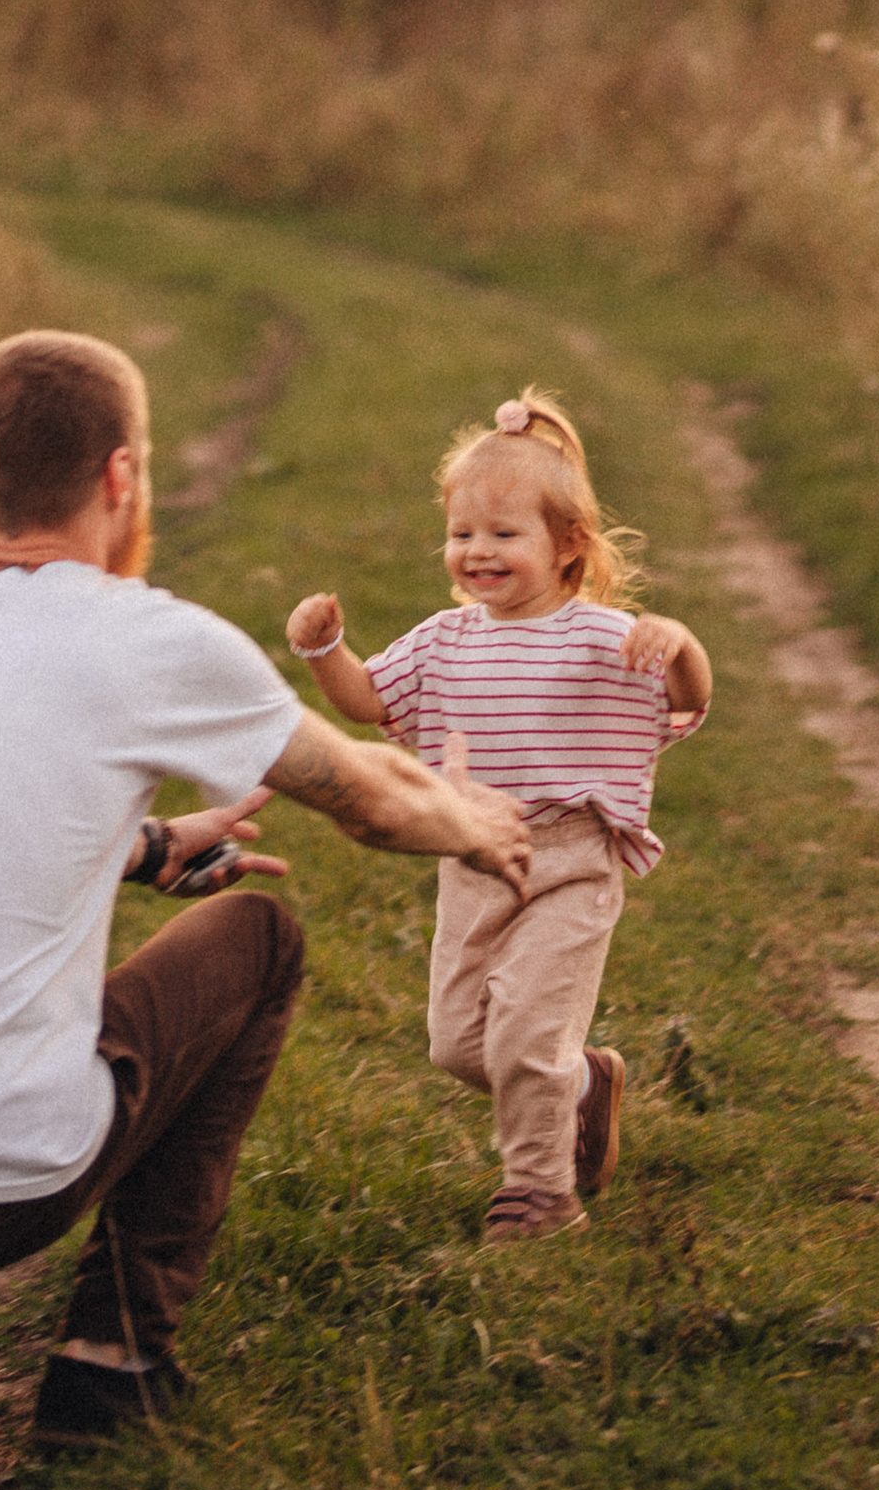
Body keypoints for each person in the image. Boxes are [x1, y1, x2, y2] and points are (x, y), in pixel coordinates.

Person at [0, 327, 533, 1474]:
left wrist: (142, 848)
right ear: (120, 476)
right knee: (261, 938)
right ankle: (113, 1358)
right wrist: (484, 823)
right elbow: (373, 799)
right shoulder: (143, 638)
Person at [286, 384, 711, 1242]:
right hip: (473, 855)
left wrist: (682, 645)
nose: (476, 552)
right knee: (457, 1045)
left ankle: (541, 1194)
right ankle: (583, 1086)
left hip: (571, 858)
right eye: (461, 534)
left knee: (522, 1038)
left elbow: (685, 701)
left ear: (568, 547)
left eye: (502, 535)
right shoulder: (446, 640)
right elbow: (370, 701)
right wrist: (324, 651)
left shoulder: (605, 636)